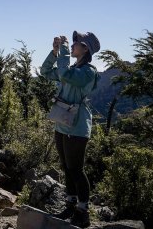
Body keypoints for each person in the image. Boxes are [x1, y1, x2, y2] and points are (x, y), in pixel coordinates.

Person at [40, 31, 100, 228]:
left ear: (86, 49)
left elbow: (65, 74)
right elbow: (45, 71)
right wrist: (55, 52)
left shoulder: (88, 72)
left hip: (78, 127)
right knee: (67, 167)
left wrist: (64, 50)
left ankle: (83, 212)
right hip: (62, 123)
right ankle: (70, 205)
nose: (73, 45)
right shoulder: (72, 68)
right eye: (72, 43)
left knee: (76, 170)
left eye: (77, 43)